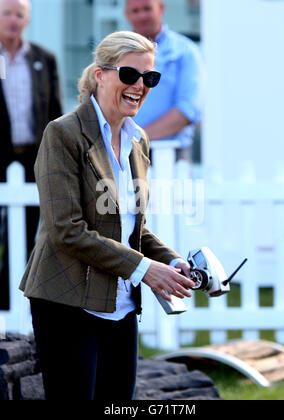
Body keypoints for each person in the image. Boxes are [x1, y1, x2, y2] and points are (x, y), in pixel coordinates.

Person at [19, 31, 195, 401]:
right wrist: (147, 269)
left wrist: (173, 262)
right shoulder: (63, 133)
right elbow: (67, 230)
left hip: (122, 304)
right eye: (130, 75)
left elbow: (134, 228)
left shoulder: (138, 139)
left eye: (150, 78)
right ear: (100, 75)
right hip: (66, 301)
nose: (140, 86)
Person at [0, 0, 62, 308]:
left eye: (19, 15)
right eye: (7, 13)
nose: (13, 20)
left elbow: (54, 111)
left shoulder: (43, 58)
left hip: (33, 156)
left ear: (27, 20)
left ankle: (13, 298)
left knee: (26, 232)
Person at [125, 0, 203, 162]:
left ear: (161, 8)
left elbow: (187, 111)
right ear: (127, 14)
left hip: (169, 154)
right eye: (135, 11)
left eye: (147, 9)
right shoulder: (118, 54)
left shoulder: (185, 52)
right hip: (122, 154)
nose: (142, 16)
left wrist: (136, 140)